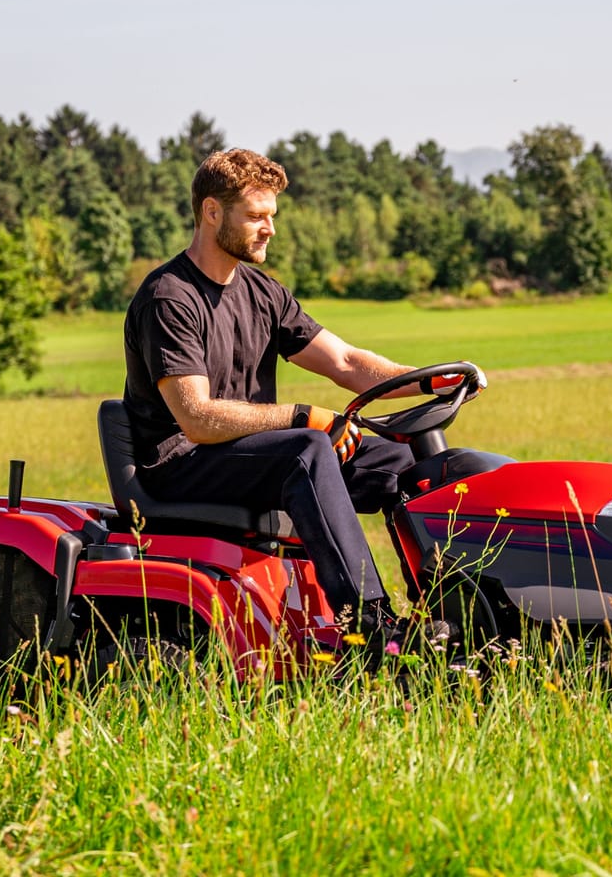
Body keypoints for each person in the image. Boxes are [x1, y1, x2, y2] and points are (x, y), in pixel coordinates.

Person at [121, 147, 483, 642]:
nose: (269, 227)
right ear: (211, 211)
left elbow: (345, 363)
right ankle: (372, 628)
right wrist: (304, 416)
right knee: (308, 450)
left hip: (249, 456)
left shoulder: (262, 292)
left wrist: (426, 380)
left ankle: (455, 614)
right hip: (182, 465)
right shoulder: (170, 297)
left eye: (272, 216)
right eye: (255, 216)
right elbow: (198, 419)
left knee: (403, 462)